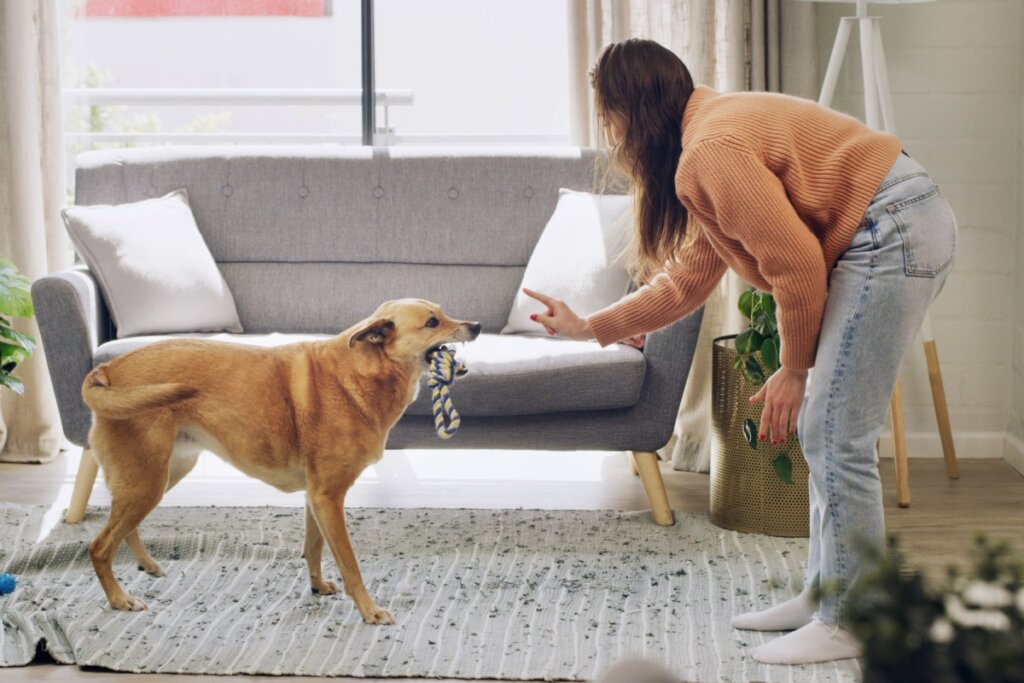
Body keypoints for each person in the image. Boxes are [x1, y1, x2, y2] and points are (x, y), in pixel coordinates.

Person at [525, 38, 957, 665]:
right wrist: (591, 326)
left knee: (838, 434)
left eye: (608, 117)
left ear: (635, 110)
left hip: (891, 229)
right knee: (827, 428)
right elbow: (688, 280)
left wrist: (793, 369)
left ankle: (852, 618)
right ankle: (827, 593)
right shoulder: (709, 140)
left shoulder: (712, 149)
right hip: (895, 221)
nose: (609, 134)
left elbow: (800, 266)